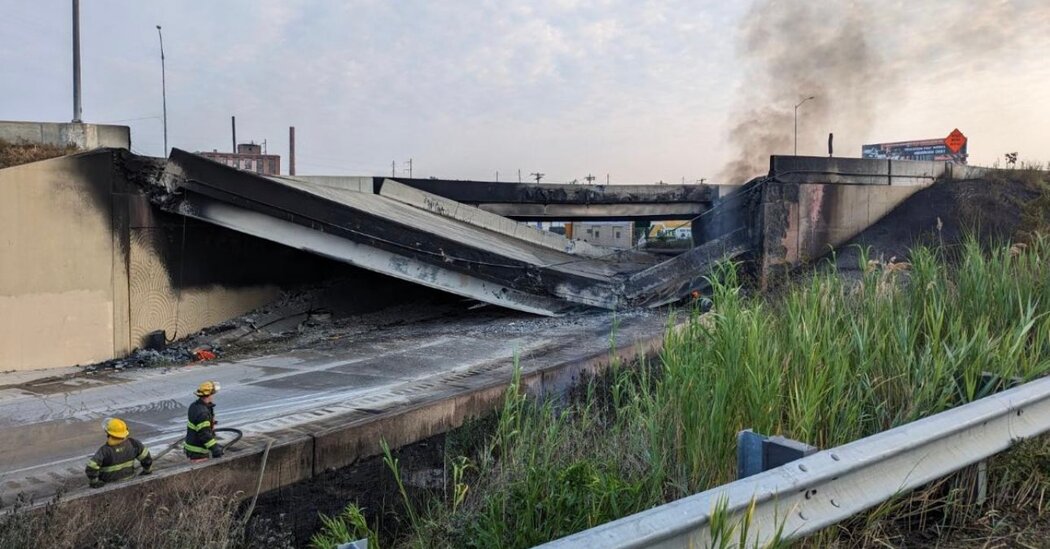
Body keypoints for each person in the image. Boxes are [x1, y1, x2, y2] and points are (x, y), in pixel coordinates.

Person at [85, 418, 153, 488]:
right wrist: (147, 470)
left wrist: (94, 482)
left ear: (109, 433)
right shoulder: (133, 444)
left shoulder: (104, 450)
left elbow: (91, 467)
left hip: (109, 483)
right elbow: (146, 459)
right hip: (130, 478)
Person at [184, 380, 224, 461]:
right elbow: (204, 434)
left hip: (192, 445)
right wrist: (215, 448)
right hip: (198, 451)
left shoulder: (194, 405)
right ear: (210, 394)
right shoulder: (203, 413)